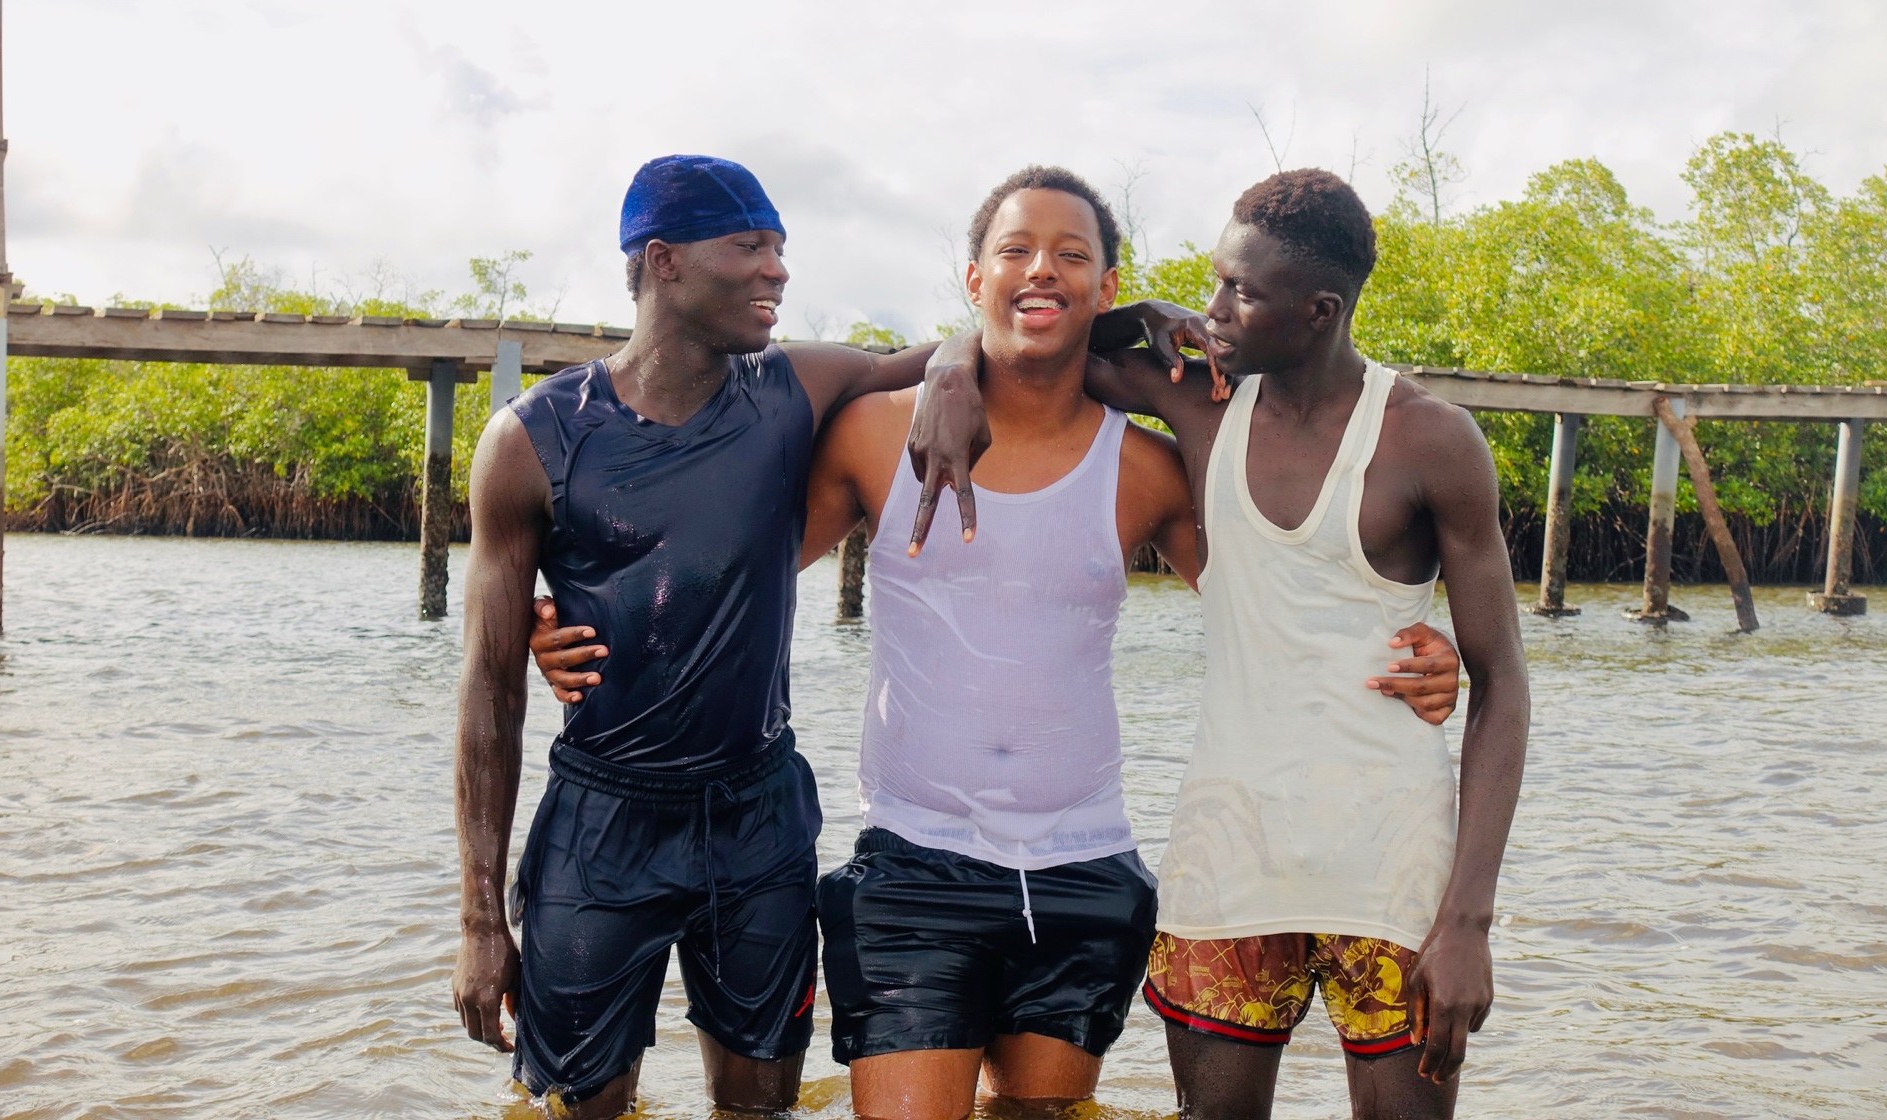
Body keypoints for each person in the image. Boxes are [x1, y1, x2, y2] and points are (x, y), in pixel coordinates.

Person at [535, 166, 1464, 1120]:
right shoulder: (868, 436)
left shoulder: (1143, 468)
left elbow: (1276, 603)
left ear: (1107, 290)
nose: (1042, 272)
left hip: (1084, 867)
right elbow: (726, 573)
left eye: (1073, 257)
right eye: (1015, 252)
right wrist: (564, 611)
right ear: (973, 281)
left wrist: (1425, 655)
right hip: (913, 861)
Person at [915, 167, 1530, 1120]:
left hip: (1392, 868)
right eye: (1211, 281)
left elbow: (1503, 687)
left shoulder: (1429, 441)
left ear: (1321, 309)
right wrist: (956, 363)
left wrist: (1468, 922)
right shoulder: (1201, 401)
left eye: (1240, 291)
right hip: (1227, 858)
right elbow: (1036, 335)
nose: (1215, 310)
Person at [451, 155, 978, 1117]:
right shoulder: (531, 441)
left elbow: (963, 348)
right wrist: (482, 919)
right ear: (665, 262)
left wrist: (948, 369)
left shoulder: (791, 389)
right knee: (581, 1107)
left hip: (757, 818)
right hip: (601, 823)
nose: (777, 270)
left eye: (780, 247)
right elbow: (490, 687)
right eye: (750, 246)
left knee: (760, 1106)